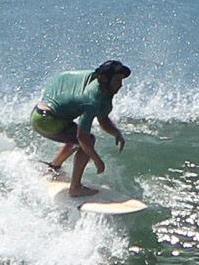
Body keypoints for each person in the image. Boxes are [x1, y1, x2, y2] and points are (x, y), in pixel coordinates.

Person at [30, 60, 131, 197]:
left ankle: (54, 167)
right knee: (87, 140)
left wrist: (116, 132)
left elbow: (102, 119)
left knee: (72, 136)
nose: (120, 85)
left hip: (38, 113)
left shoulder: (96, 80)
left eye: (121, 80)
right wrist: (97, 160)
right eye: (117, 80)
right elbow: (82, 138)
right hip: (47, 121)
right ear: (104, 79)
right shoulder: (91, 99)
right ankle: (75, 187)